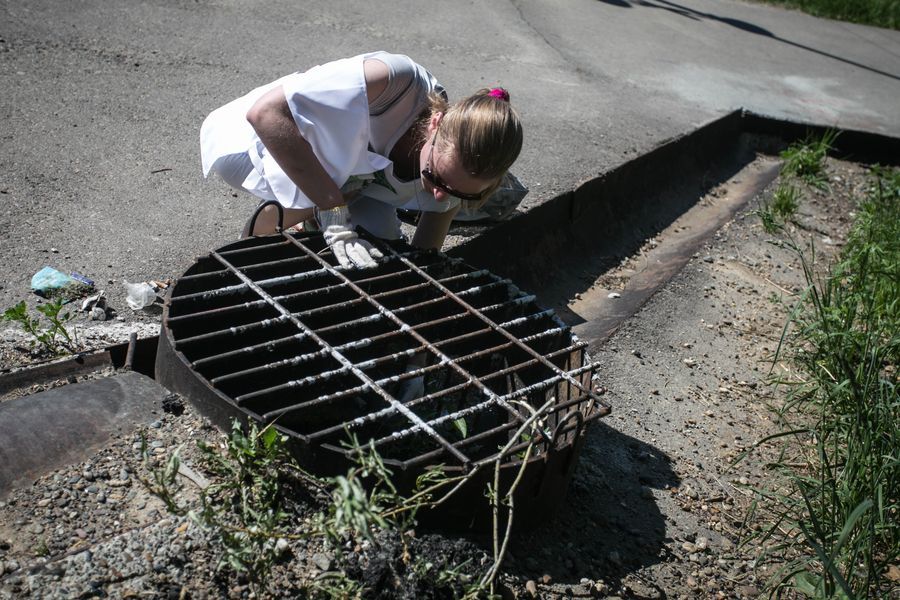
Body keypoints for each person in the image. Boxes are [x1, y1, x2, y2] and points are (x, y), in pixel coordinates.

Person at [200, 51, 523, 268]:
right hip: (256, 143)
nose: (440, 195)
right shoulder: (395, 83)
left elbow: (423, 259)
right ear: (436, 123)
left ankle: (317, 221)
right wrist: (333, 210)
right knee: (339, 191)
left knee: (383, 248)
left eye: (461, 193)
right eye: (436, 178)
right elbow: (265, 114)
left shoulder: (454, 176)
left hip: (351, 182)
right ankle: (258, 239)